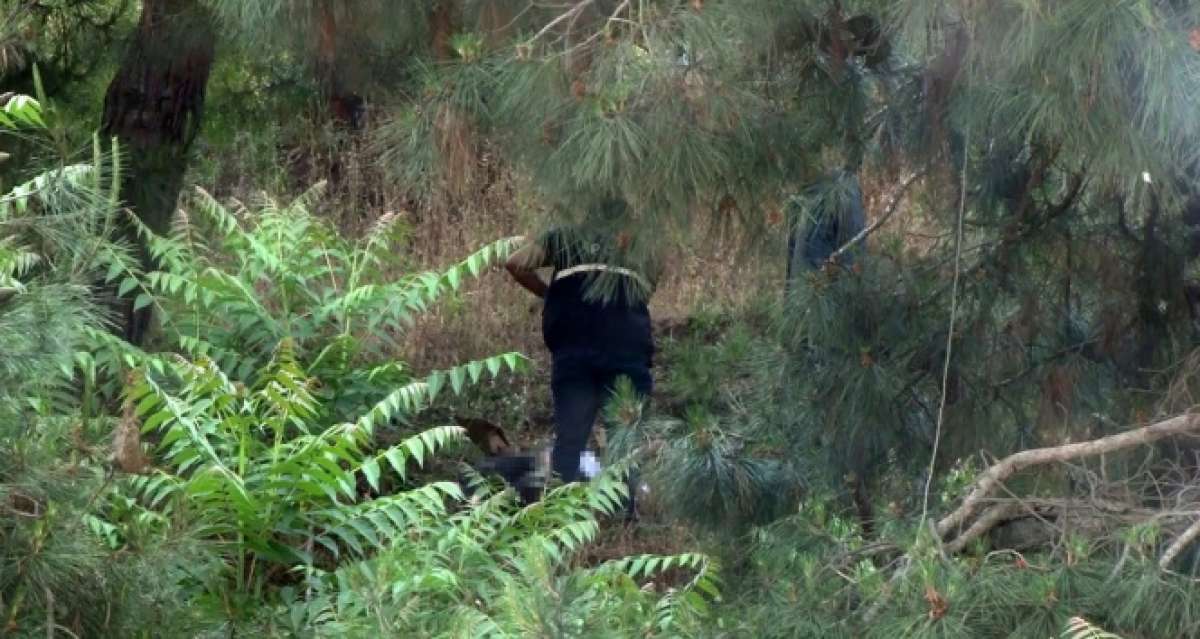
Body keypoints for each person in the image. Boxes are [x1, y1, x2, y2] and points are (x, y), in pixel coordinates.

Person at [504, 196, 658, 515]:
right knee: (624, 439)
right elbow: (649, 285)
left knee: (570, 438)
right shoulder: (642, 248)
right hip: (626, 352)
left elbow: (515, 263)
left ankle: (562, 517)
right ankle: (623, 515)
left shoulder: (564, 236)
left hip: (576, 352)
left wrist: (551, 294)